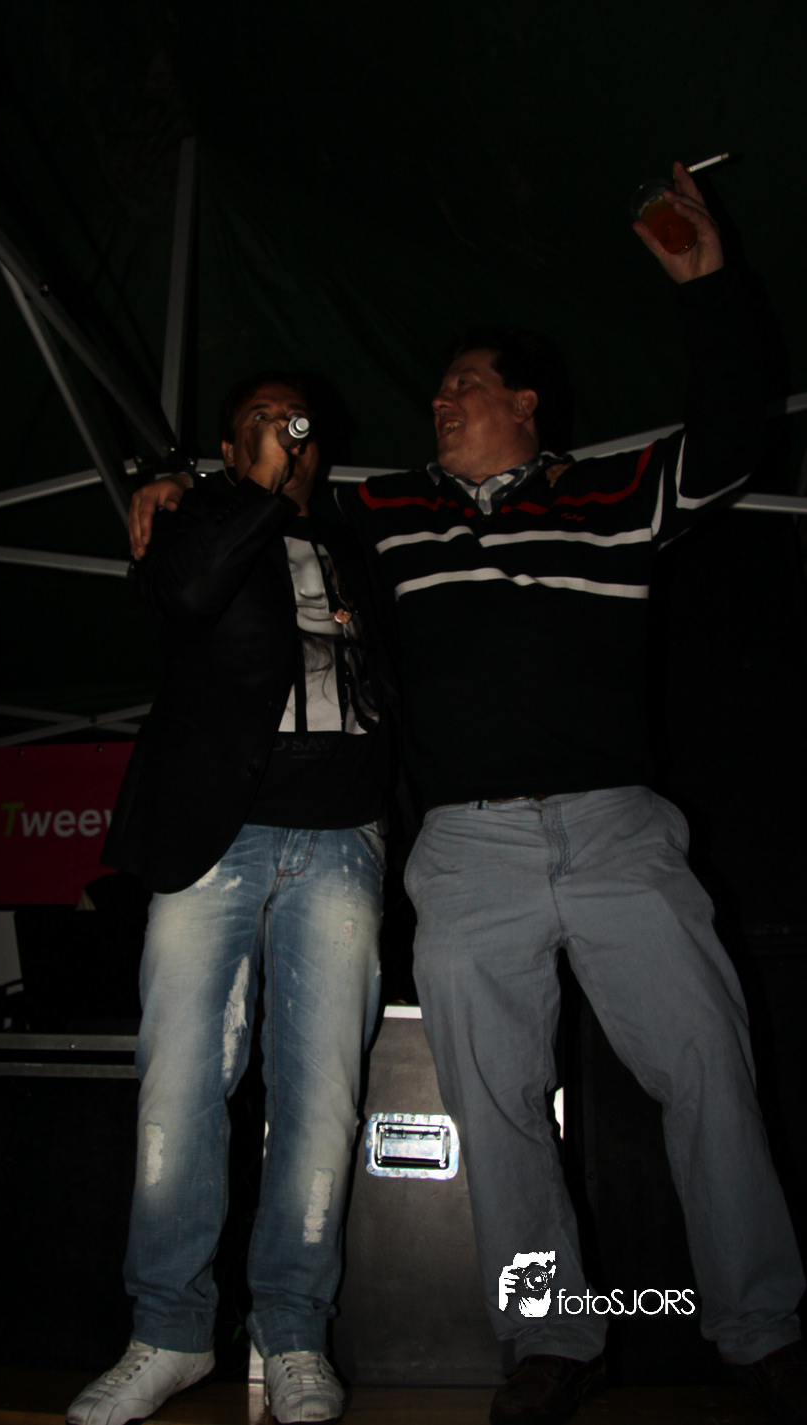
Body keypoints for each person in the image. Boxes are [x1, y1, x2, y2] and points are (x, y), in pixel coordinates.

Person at [131, 166, 805, 1425]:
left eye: (464, 387)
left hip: (616, 828)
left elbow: (726, 442)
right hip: (465, 850)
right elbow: (267, 508)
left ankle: (760, 1329)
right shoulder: (383, 514)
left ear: (524, 404)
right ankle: (549, 1338)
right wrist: (171, 481)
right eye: (436, 392)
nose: (438, 402)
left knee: (707, 1066)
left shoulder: (610, 496)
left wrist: (708, 289)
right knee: (493, 1108)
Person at [67, 373, 392, 1425]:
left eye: (295, 420)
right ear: (226, 445)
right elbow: (190, 595)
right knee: (179, 1085)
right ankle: (168, 1330)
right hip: (215, 831)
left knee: (321, 1096)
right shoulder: (189, 521)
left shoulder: (360, 537)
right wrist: (238, 487)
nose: (283, 431)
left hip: (341, 833)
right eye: (258, 417)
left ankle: (292, 1332)